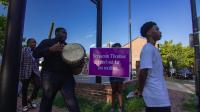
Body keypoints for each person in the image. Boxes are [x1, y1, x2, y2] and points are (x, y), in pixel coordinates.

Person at [33, 27, 82, 112]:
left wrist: (78, 64)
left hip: (67, 77)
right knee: (47, 100)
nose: (65, 35)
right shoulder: (47, 42)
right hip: (50, 76)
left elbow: (72, 63)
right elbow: (35, 54)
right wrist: (50, 49)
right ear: (56, 33)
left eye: (66, 33)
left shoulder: (69, 47)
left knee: (72, 101)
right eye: (63, 32)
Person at [138, 21, 171, 112]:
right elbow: (143, 72)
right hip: (155, 99)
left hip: (160, 97)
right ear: (149, 32)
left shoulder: (154, 49)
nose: (160, 32)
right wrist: (140, 90)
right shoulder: (148, 48)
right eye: (157, 29)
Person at [19, 38, 41, 112]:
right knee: (25, 88)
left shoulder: (36, 51)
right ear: (28, 43)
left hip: (34, 72)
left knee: (38, 84)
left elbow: (37, 63)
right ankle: (24, 105)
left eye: (35, 42)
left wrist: (38, 71)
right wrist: (19, 73)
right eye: (33, 42)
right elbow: (20, 61)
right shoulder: (24, 50)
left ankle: (31, 99)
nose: (34, 44)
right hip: (25, 71)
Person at [109, 43, 125, 112]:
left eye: (119, 48)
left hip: (120, 76)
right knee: (113, 91)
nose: (117, 49)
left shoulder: (123, 55)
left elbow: (124, 65)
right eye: (116, 48)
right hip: (112, 76)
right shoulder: (109, 56)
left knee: (119, 91)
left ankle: (120, 107)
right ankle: (112, 107)